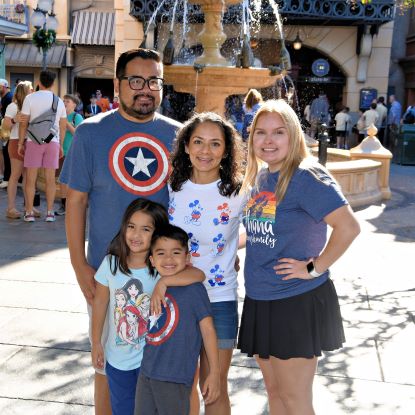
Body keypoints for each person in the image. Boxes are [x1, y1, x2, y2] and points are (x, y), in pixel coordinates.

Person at [60, 48, 182, 415]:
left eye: (154, 81)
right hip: (107, 277)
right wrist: (79, 265)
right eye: (136, 81)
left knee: (160, 369)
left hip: (164, 279)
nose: (145, 89)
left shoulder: (179, 136)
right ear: (118, 84)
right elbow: (76, 202)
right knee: (106, 368)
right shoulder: (89, 133)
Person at [238, 99, 360, 414]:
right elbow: (262, 231)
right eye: (260, 133)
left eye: (278, 132)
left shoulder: (306, 176)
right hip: (261, 297)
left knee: (295, 399)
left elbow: (348, 227)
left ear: (293, 135)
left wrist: (314, 268)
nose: (268, 140)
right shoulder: (263, 176)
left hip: (295, 300)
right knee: (275, 395)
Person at [92, 199, 204, 415]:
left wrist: (163, 282)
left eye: (146, 229)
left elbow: (198, 274)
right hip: (118, 361)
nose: (136, 235)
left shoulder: (161, 267)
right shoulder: (111, 264)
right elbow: (100, 303)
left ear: (157, 234)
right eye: (131, 227)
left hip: (153, 363)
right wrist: (97, 341)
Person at [167, 112, 245, 415]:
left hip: (220, 300)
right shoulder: (173, 187)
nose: (205, 151)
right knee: (183, 384)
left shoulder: (239, 191)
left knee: (214, 387)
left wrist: (230, 249)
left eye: (215, 144)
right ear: (186, 146)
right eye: (198, 142)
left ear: (226, 151)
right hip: (180, 299)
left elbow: (261, 230)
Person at [135, 224, 220, 415]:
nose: (168, 259)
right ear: (152, 259)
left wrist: (215, 373)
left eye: (175, 252)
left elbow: (208, 331)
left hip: (174, 377)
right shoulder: (155, 284)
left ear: (187, 257)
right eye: (161, 253)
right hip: (147, 372)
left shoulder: (194, 289)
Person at [17, 70, 66, 222]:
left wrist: (20, 142)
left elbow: (24, 122)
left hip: (33, 141)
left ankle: (29, 212)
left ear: (39, 82)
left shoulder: (30, 98)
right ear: (53, 83)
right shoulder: (59, 101)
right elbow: (62, 125)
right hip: (52, 141)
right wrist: (61, 145)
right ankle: (50, 213)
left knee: (31, 179)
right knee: (51, 179)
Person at [2, 81, 33, 219]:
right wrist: (15, 120)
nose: (33, 92)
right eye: (31, 90)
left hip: (30, 142)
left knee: (29, 177)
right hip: (15, 142)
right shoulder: (13, 106)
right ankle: (11, 208)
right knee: (15, 175)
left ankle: (29, 207)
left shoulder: (31, 106)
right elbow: (6, 126)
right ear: (25, 91)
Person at [55, 94, 84, 216]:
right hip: (60, 151)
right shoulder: (58, 116)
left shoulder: (77, 117)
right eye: (64, 101)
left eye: (67, 101)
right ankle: (63, 204)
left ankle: (74, 204)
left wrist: (66, 123)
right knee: (62, 179)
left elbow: (77, 133)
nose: (65, 103)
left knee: (72, 180)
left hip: (73, 153)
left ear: (74, 104)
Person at [0, 78, 12, 190]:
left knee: (7, 154)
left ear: (3, 86)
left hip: (9, 131)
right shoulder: (4, 98)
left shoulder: (9, 98)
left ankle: (8, 179)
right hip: (5, 130)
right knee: (5, 152)